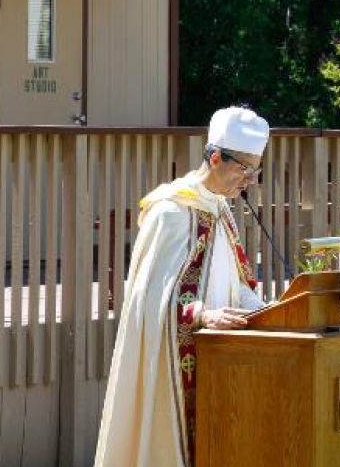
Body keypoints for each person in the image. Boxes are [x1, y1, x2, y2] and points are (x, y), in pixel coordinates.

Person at [94, 107, 270, 467]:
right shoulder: (170, 211)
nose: (249, 180)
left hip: (224, 362)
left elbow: (236, 283)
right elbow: (146, 297)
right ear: (216, 157)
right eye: (245, 169)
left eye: (255, 171)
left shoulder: (220, 210)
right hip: (177, 365)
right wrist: (202, 314)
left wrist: (272, 310)